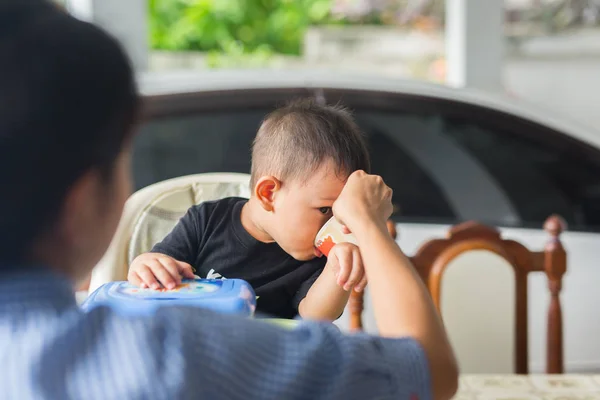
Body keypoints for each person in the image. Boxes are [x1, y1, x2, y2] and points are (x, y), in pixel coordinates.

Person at [0, 2, 458, 399]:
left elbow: (316, 313)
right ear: (80, 204)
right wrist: (373, 227)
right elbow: (428, 373)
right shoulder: (185, 352)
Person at [128, 99, 371, 320]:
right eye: (325, 209)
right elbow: (159, 265)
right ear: (268, 194)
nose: (336, 225)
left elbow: (316, 318)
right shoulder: (206, 220)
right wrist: (146, 266)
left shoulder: (316, 257)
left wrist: (337, 268)